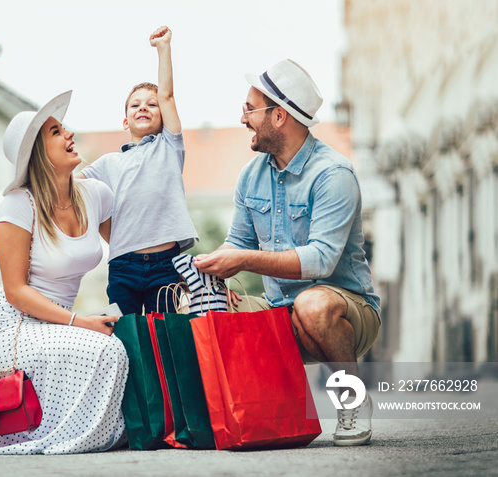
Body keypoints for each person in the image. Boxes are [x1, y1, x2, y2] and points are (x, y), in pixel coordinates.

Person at [194, 59, 381, 447]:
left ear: (278, 116)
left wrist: (243, 261)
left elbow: (320, 261)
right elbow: (238, 244)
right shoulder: (250, 176)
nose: (242, 118)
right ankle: (256, 415)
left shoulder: (333, 175)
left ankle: (352, 400)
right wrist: (211, 272)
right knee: (209, 312)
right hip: (280, 312)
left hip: (346, 311)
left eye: (249, 109)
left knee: (312, 305)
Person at [0, 91, 128, 455]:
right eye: (56, 131)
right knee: (107, 351)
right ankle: (69, 439)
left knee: (120, 343)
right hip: (11, 328)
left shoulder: (96, 195)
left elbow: (127, 251)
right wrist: (78, 321)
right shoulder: (18, 205)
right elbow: (16, 292)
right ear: (39, 154)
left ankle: (94, 434)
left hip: (59, 322)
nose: (69, 134)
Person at [78, 26, 198, 316]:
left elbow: (167, 95)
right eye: (135, 104)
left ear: (163, 115)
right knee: (127, 338)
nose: (143, 107)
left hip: (165, 265)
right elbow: (73, 185)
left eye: (151, 104)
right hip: (123, 264)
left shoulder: (168, 148)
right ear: (125, 120)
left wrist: (164, 48)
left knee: (164, 337)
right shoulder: (108, 163)